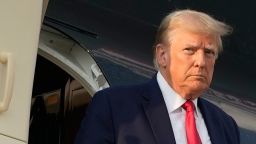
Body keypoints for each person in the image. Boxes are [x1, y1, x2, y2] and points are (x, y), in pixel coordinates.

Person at [75, 9, 240, 144]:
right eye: (190, 50)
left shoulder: (225, 125)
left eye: (209, 52)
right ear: (162, 55)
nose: (201, 62)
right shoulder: (113, 106)